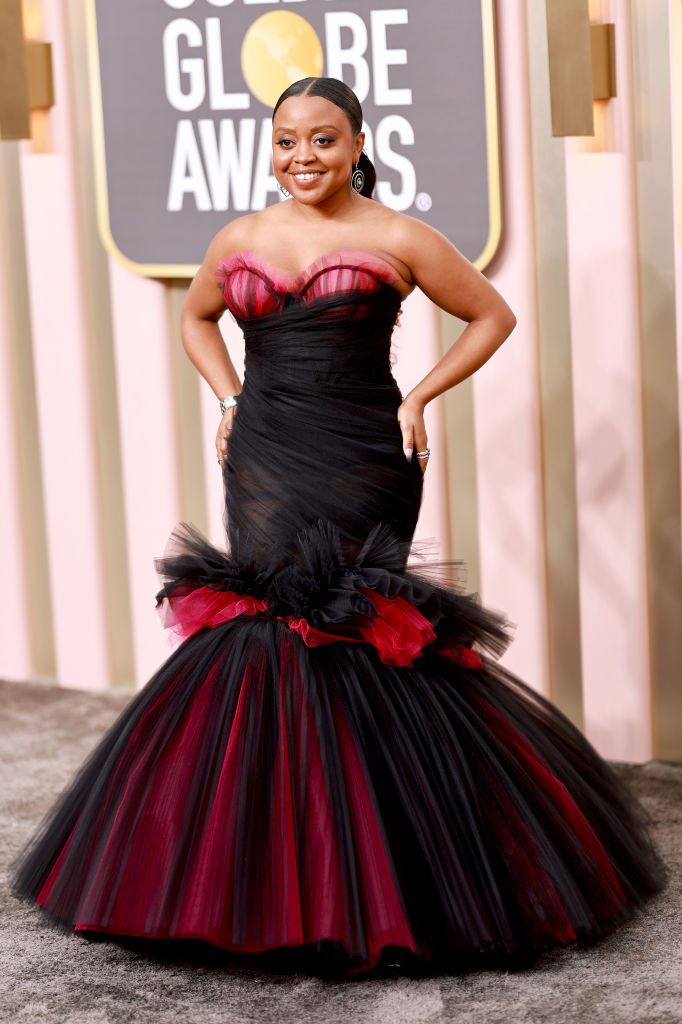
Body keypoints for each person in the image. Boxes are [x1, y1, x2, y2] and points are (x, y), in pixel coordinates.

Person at [11, 77, 666, 979]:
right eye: (285, 141)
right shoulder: (240, 237)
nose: (302, 158)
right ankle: (267, 862)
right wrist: (229, 394)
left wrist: (425, 397)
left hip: (363, 451)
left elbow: (492, 314)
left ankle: (389, 866)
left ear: (359, 142)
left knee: (358, 626)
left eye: (322, 140)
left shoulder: (399, 236)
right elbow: (198, 315)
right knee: (270, 621)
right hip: (267, 451)